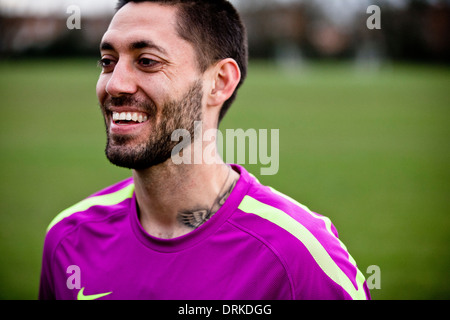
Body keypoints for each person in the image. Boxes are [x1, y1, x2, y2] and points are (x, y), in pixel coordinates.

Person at [39, 0, 371, 300]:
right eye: (108, 61)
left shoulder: (298, 256)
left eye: (147, 61)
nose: (114, 84)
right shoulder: (68, 239)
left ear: (220, 81)